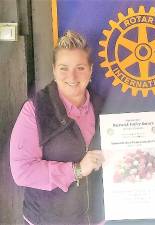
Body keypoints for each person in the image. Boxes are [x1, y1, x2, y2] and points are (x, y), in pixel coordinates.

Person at [10, 31, 105, 225]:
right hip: (47, 219)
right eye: (63, 68)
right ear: (53, 70)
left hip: (94, 219)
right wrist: (76, 170)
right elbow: (22, 171)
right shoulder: (35, 110)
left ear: (90, 70)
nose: (72, 76)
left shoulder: (102, 106)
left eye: (80, 67)